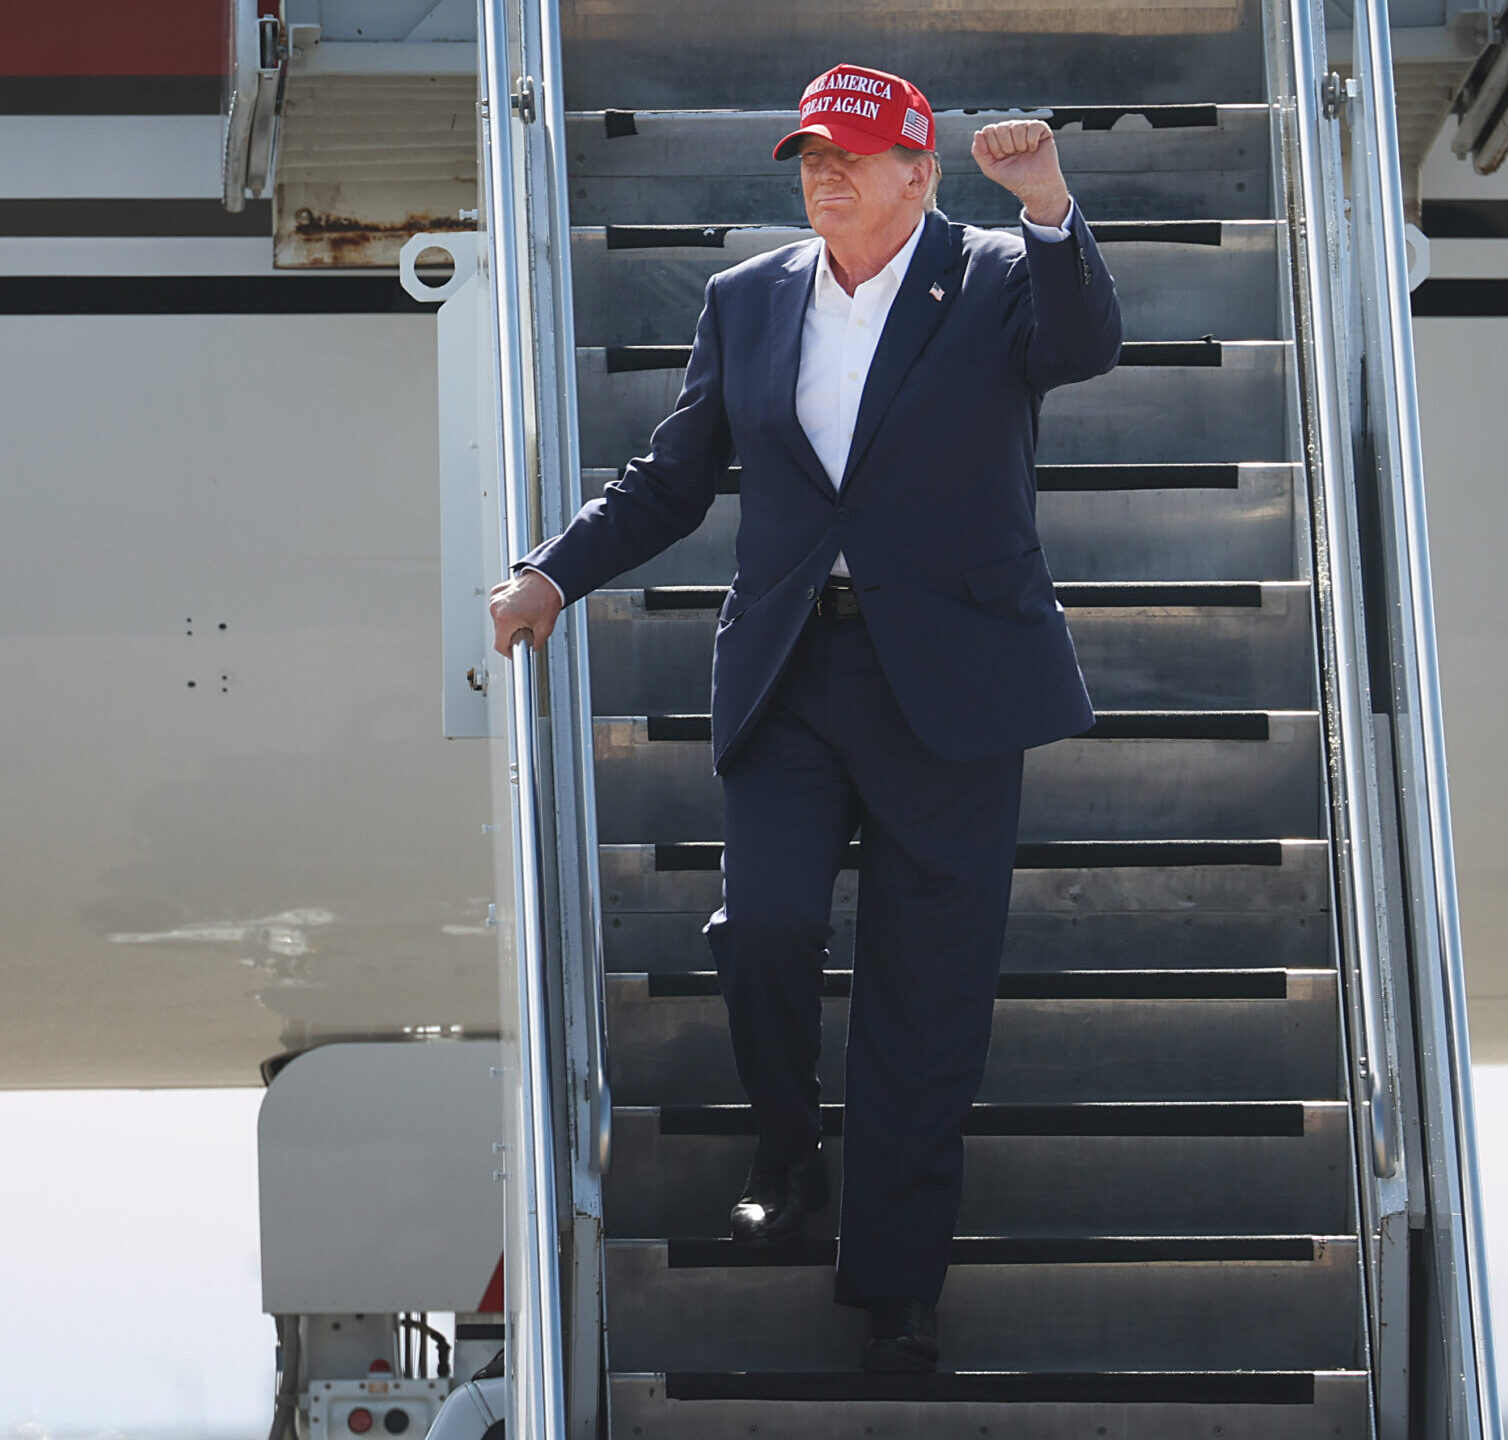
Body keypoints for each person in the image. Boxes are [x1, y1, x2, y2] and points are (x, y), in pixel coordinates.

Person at [488, 61, 1121, 1374]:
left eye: (851, 153)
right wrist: (554, 571)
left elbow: (1083, 347)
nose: (823, 173)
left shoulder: (999, 277)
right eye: (809, 157)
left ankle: (896, 1290)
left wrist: (1051, 203)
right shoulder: (749, 300)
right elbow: (671, 482)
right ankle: (787, 1133)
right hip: (793, 675)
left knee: (922, 999)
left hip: (950, 688)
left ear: (918, 173)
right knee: (764, 924)